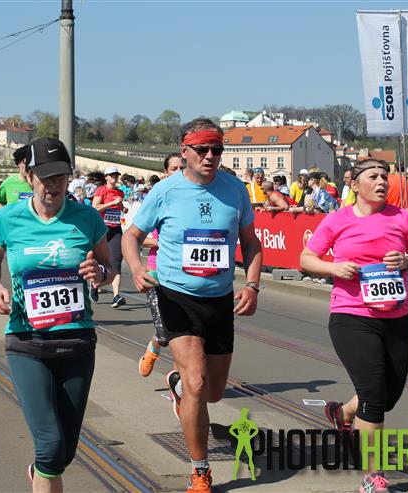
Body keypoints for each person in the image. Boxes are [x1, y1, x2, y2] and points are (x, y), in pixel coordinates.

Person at [122, 118, 262, 493]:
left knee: (213, 392)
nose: (210, 156)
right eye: (202, 149)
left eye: (217, 149)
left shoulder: (235, 189)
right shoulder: (165, 191)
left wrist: (252, 285)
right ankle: (200, 471)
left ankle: (178, 387)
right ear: (184, 151)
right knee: (198, 382)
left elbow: (251, 243)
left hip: (219, 300)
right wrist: (136, 268)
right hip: (176, 297)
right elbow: (131, 236)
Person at [0, 137, 113, 493]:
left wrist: (99, 273)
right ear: (29, 177)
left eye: (61, 176)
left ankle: (41, 471)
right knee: (50, 446)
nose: (53, 184)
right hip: (27, 342)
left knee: (63, 454)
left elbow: (108, 267)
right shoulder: (9, 218)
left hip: (77, 341)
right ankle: (44, 468)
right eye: (45, 177)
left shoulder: (87, 218)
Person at [299, 159, 408, 493]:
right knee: (373, 395)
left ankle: (343, 413)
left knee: (388, 395)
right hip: (352, 316)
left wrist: (407, 262)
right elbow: (306, 258)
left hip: (395, 317)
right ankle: (373, 476)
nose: (382, 181)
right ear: (356, 185)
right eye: (374, 176)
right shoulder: (338, 219)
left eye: (385, 176)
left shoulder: (402, 217)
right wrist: (334, 268)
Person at [138, 158, 182, 377]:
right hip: (157, 271)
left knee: (185, 332)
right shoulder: (157, 198)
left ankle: (180, 379)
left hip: (185, 273)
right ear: (165, 172)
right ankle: (153, 349)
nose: (179, 171)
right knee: (164, 333)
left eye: (182, 168)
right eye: (174, 168)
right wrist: (160, 242)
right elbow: (137, 237)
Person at [92, 166, 128, 308]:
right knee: (100, 260)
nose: (114, 177)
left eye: (116, 175)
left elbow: (118, 208)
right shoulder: (101, 190)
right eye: (112, 175)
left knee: (116, 261)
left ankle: (116, 296)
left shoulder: (120, 192)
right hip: (102, 229)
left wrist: (123, 208)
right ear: (106, 177)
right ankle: (95, 285)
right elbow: (95, 208)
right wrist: (112, 203)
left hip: (116, 229)